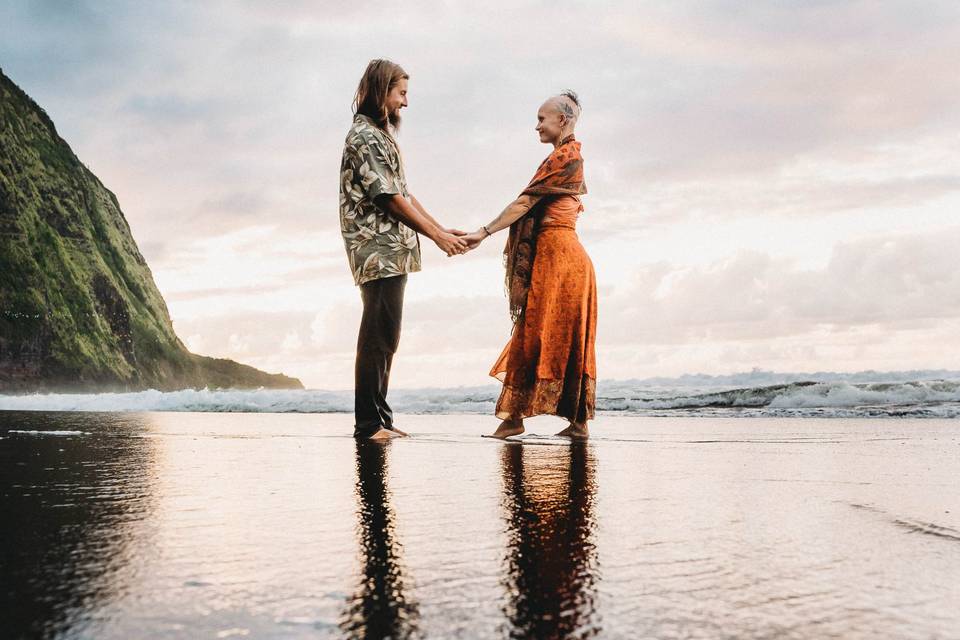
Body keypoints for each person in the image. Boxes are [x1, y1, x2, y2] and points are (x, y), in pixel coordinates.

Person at [340, 59, 468, 440]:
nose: (406, 103)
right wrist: (436, 236)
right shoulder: (363, 136)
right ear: (382, 92)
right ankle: (368, 424)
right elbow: (389, 198)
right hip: (376, 246)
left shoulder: (381, 136)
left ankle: (382, 420)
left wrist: (440, 228)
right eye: (401, 94)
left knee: (388, 336)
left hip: (392, 248)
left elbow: (405, 192)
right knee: (377, 336)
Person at [462, 91, 597, 439]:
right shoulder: (561, 157)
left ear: (562, 121)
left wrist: (484, 231)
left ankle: (524, 419)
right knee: (544, 331)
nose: (536, 125)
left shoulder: (566, 156)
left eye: (542, 118)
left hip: (562, 259)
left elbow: (524, 203)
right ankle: (547, 420)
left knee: (545, 332)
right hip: (559, 257)